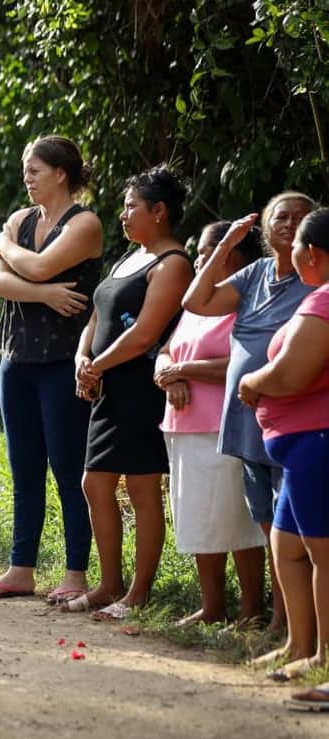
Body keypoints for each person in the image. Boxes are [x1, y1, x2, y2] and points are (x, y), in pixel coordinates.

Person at [0, 135, 103, 602]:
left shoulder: (84, 222)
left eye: (34, 170)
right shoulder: (19, 220)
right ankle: (20, 568)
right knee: (24, 468)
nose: (26, 178)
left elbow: (43, 265)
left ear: (60, 174)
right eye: (25, 170)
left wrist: (4, 249)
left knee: (69, 469)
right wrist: (43, 292)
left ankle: (75, 574)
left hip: (63, 362)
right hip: (16, 357)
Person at [182, 191, 316, 633]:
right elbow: (195, 303)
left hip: (295, 420)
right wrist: (223, 246)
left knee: (294, 531)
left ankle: (292, 625)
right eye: (281, 215)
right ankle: (279, 621)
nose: (290, 221)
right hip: (245, 421)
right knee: (267, 524)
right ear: (263, 228)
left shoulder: (316, 280)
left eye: (301, 216)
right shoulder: (255, 272)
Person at [64, 166, 194, 620]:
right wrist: (83, 359)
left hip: (142, 388)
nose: (123, 215)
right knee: (94, 483)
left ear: (159, 212)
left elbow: (145, 334)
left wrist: (97, 365)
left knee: (141, 489)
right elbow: (97, 318)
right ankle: (109, 584)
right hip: (106, 389)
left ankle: (137, 594)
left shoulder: (173, 264)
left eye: (131, 206)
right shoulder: (128, 258)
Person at [154, 222, 267, 626]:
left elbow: (245, 363)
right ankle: (212, 605)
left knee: (237, 519)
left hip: (223, 426)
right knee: (200, 518)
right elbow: (166, 352)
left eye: (206, 252)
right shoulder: (197, 306)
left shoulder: (247, 301)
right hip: (183, 428)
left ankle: (253, 608)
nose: (199, 258)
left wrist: (186, 370)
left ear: (233, 257)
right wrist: (170, 373)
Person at [239, 208, 329, 685]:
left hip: (317, 443)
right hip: (300, 451)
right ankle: (299, 644)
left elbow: (293, 374)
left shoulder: (325, 302)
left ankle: (325, 659)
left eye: (298, 246)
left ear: (312, 252)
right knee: (289, 546)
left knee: (322, 552)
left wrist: (253, 381)